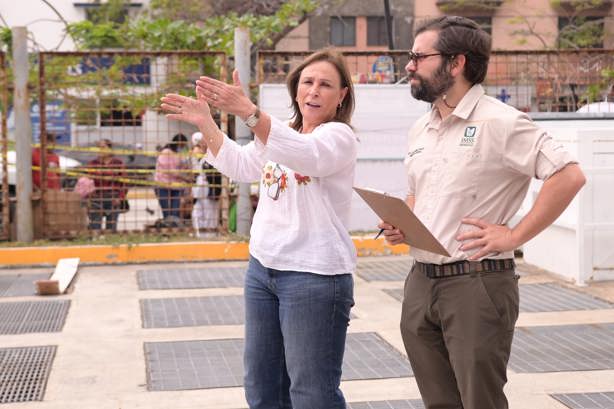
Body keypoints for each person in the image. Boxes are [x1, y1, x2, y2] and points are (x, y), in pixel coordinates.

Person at [377, 16, 586, 409]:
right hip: (421, 283)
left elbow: (569, 175)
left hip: (476, 284)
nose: (408, 65)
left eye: (418, 57)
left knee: (480, 402)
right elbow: (418, 194)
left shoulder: (501, 121)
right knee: (439, 402)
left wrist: (513, 236)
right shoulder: (422, 127)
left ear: (455, 63)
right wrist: (401, 223)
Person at [161, 49, 357, 409]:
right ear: (296, 89)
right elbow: (241, 165)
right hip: (263, 270)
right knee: (262, 386)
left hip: (314, 277)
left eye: (326, 84)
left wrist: (250, 113)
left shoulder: (338, 137)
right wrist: (207, 122)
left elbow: (308, 155)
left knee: (312, 393)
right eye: (307, 82)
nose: (314, 90)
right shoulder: (281, 133)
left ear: (342, 95)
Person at [87, 139, 127, 232]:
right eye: (98, 148)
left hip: (113, 198)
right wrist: (88, 199)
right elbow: (88, 183)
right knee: (95, 228)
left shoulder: (118, 163)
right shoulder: (93, 164)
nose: (100, 150)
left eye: (103, 147)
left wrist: (120, 198)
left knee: (111, 229)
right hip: (96, 198)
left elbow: (124, 183)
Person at [190, 131, 221, 237]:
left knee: (210, 212)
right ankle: (200, 234)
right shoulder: (199, 157)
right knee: (197, 211)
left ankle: (210, 235)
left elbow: (216, 177)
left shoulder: (213, 157)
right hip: (199, 188)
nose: (200, 147)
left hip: (209, 188)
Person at [154, 133, 190, 222]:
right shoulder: (166, 152)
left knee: (175, 210)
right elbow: (169, 170)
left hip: (176, 185)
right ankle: (168, 228)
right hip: (162, 184)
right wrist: (185, 178)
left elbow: (184, 167)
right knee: (166, 210)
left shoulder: (179, 154)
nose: (182, 147)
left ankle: (174, 227)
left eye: (183, 145)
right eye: (181, 145)